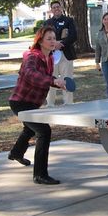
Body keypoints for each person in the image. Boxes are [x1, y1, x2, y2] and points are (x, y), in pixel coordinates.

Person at [9, 26, 66, 185]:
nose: (52, 41)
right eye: (49, 38)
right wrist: (53, 81)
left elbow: (45, 77)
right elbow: (30, 74)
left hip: (32, 102)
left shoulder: (48, 58)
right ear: (40, 41)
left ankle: (16, 153)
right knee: (43, 130)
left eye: (54, 38)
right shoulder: (32, 56)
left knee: (29, 129)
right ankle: (40, 174)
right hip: (20, 102)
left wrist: (57, 83)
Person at [45, 0, 77, 107]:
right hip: (52, 54)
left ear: (61, 8)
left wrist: (62, 43)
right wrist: (54, 44)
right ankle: (50, 103)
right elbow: (44, 38)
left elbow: (73, 36)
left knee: (67, 77)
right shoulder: (48, 23)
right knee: (51, 78)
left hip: (65, 53)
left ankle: (68, 102)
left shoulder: (69, 20)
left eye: (58, 7)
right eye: (54, 7)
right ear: (51, 10)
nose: (56, 9)